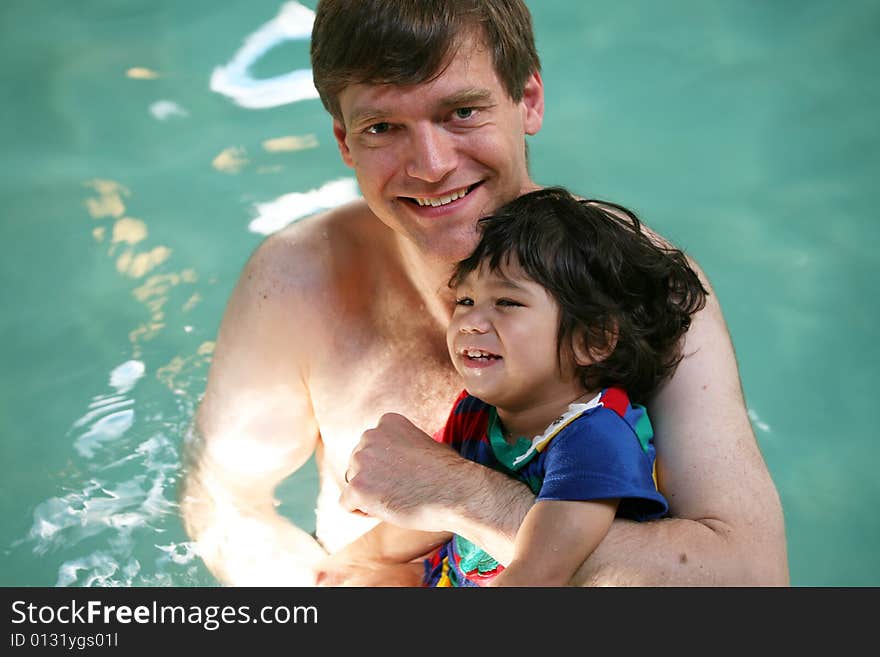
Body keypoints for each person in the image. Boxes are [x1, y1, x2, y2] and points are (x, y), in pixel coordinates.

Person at [180, 0, 788, 586]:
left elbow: (754, 583)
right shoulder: (296, 282)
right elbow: (227, 502)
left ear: (527, 100)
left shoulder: (633, 283)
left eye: (461, 112)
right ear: (344, 141)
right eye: (382, 127)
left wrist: (462, 495)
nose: (430, 165)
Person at [315, 187, 706, 586]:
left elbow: (541, 572)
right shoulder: (476, 413)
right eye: (465, 300)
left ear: (592, 341)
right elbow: (432, 513)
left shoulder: (595, 435)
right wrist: (342, 563)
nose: (470, 321)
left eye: (506, 303)